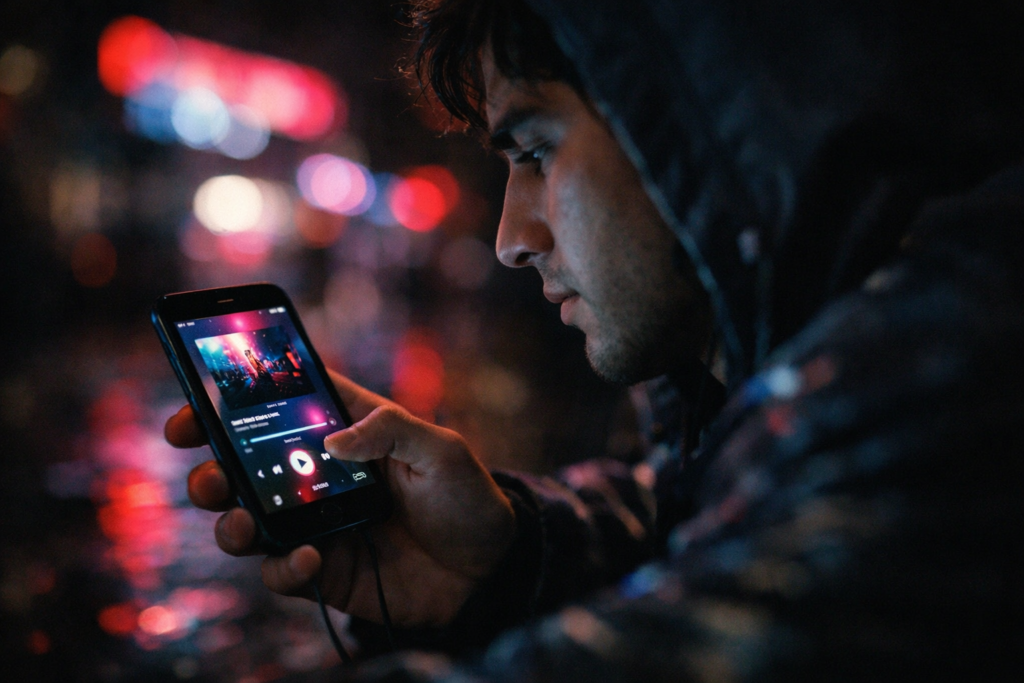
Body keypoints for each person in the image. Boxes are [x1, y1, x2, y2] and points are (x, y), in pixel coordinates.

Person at [166, 0, 1024, 679]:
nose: (510, 239)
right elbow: (702, 531)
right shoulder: (740, 391)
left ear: (704, 131)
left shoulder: (954, 396)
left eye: (536, 151)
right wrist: (507, 563)